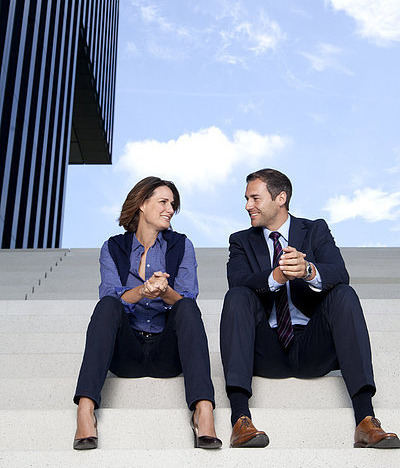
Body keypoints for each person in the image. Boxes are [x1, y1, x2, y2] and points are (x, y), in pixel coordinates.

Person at [220, 168, 400, 449]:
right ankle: (241, 419)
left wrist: (308, 270)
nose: (247, 206)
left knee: (344, 293)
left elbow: (339, 272)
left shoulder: (315, 229)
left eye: (254, 198)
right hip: (266, 349)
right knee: (237, 297)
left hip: (312, 346)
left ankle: (366, 420)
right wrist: (274, 278)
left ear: (281, 198)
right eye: (246, 199)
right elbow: (238, 280)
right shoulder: (240, 240)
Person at [73, 176, 222, 450]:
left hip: (167, 353)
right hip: (125, 354)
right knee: (106, 306)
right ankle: (85, 410)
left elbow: (187, 297)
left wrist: (164, 290)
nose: (170, 209)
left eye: (172, 204)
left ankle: (203, 411)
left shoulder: (181, 245)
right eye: (163, 202)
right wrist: (143, 290)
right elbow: (110, 296)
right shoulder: (113, 247)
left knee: (187, 307)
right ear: (142, 204)